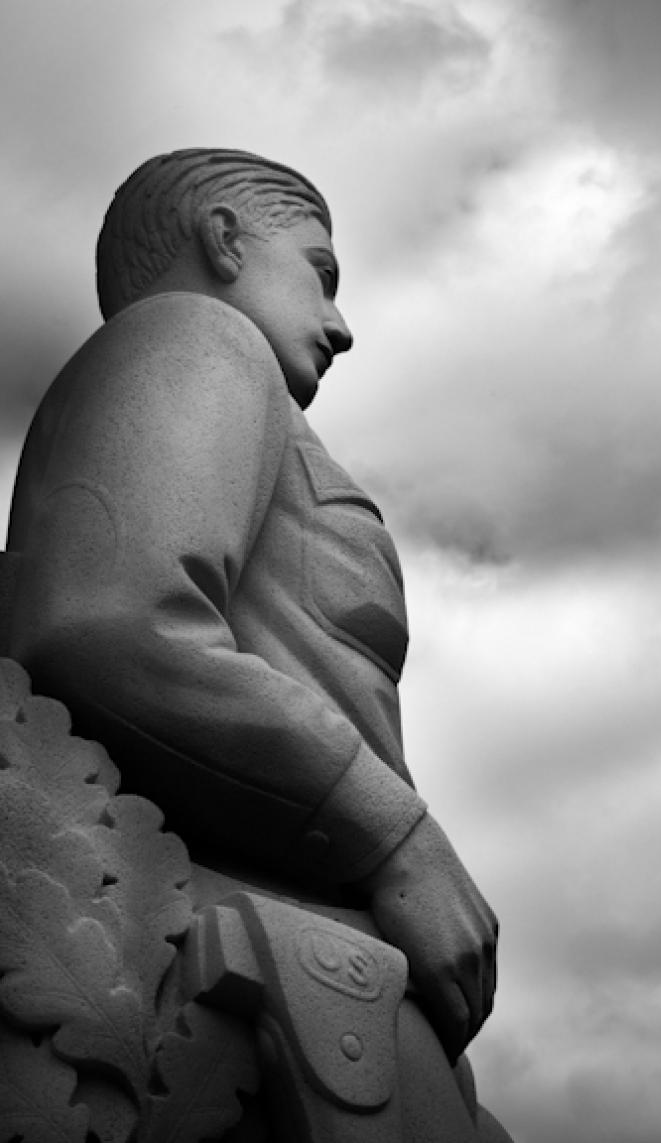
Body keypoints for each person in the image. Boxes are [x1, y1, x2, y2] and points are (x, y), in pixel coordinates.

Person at [6, 149, 506, 1140]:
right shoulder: (199, 338)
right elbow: (111, 620)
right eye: (319, 273)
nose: (341, 324)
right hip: (272, 970)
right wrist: (396, 838)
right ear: (225, 240)